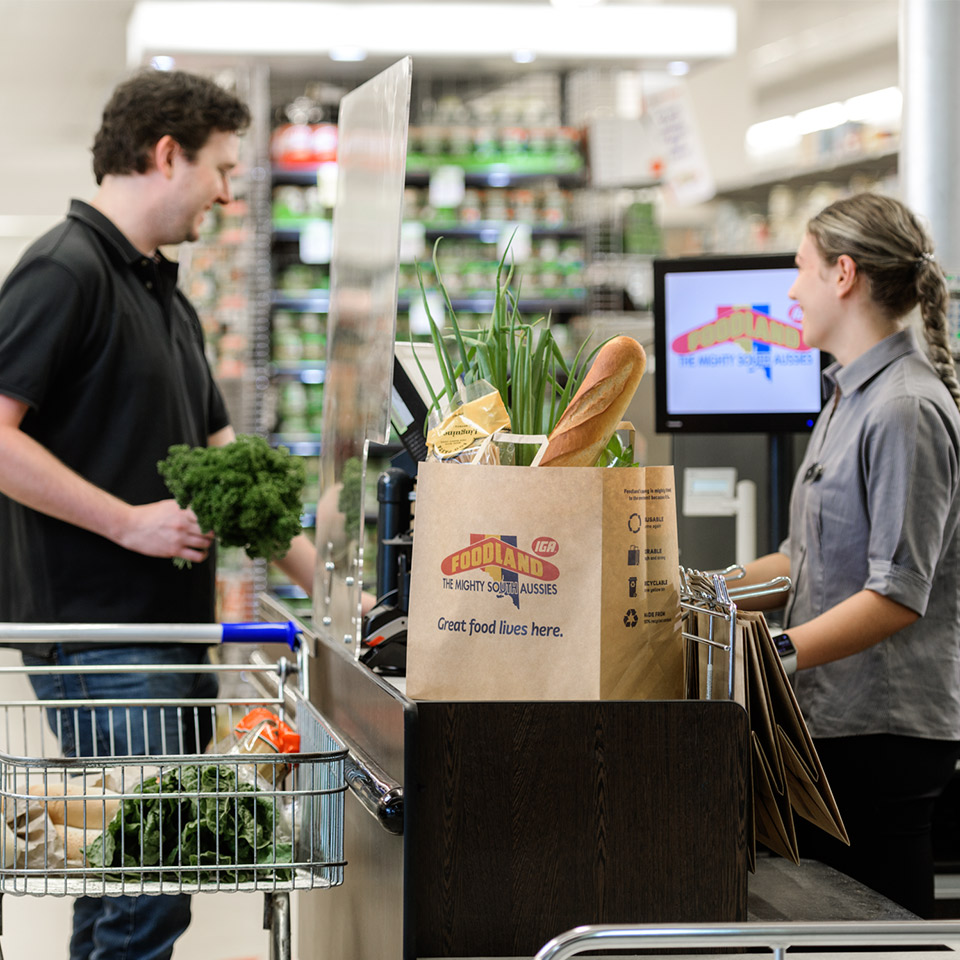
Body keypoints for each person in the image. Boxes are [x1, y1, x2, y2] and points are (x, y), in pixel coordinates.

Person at [0, 68, 315, 960]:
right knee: (157, 886)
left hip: (166, 633)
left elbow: (227, 464)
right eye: (220, 167)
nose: (227, 190)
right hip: (100, 633)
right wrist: (127, 522)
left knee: (122, 874)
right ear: (165, 152)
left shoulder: (161, 293)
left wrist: (328, 579)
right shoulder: (64, 270)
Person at [739, 192, 960, 918]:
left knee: (876, 933)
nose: (791, 289)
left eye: (799, 267)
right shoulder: (846, 399)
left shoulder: (904, 408)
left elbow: (896, 593)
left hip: (882, 735)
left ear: (844, 274)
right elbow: (800, 558)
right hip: (836, 724)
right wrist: (696, 589)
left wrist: (775, 654)